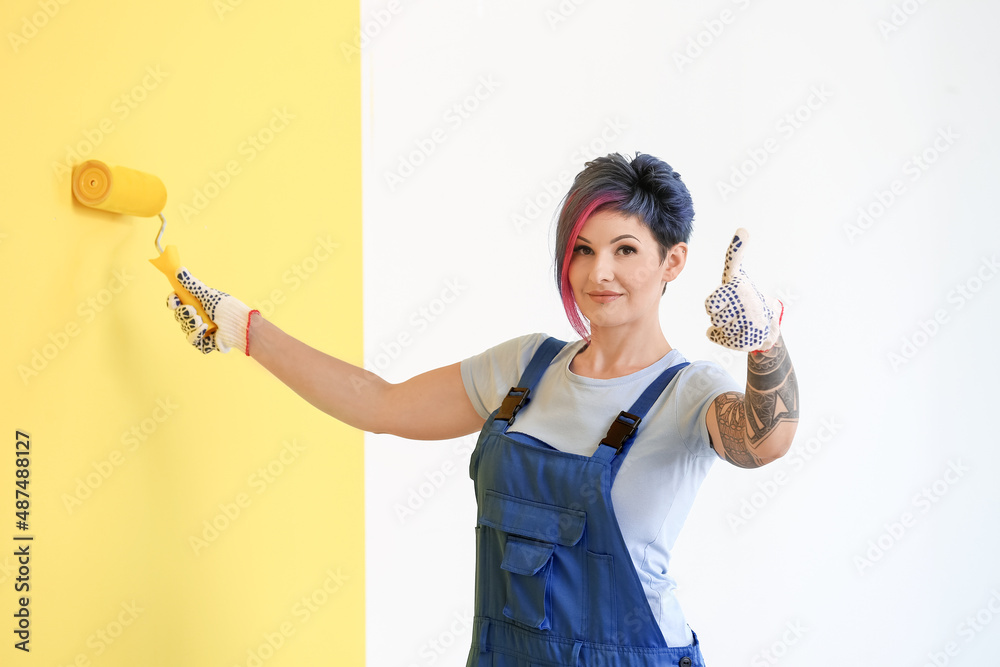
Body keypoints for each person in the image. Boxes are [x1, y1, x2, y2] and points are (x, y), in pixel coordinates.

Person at [167, 152, 799, 666]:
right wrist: (246, 331)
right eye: (582, 249)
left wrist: (764, 341)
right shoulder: (525, 369)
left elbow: (766, 440)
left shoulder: (689, 391)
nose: (598, 271)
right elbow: (380, 404)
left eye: (625, 250)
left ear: (673, 261)